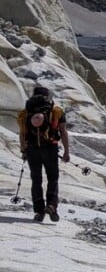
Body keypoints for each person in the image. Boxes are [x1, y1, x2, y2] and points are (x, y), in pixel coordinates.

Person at [17, 86, 70, 222]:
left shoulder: (26, 113)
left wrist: (24, 151)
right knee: (53, 178)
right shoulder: (55, 111)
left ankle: (39, 212)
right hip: (50, 148)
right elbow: (63, 132)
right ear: (47, 96)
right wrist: (66, 151)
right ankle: (52, 206)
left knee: (36, 180)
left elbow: (22, 134)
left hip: (32, 150)